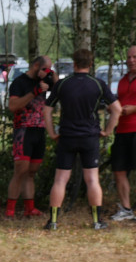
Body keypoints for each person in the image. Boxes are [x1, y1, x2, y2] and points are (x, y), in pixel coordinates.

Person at [43, 48, 121, 230]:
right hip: (89, 136)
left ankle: (53, 222)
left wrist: (52, 133)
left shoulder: (62, 84)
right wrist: (107, 131)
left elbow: (46, 109)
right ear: (91, 64)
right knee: (92, 179)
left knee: (60, 179)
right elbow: (117, 109)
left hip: (67, 136)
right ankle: (97, 221)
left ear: (74, 64)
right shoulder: (98, 84)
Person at [5, 56, 54, 218]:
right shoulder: (20, 82)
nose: (46, 72)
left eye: (49, 69)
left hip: (39, 130)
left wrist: (52, 76)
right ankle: (10, 211)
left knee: (32, 172)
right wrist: (34, 92)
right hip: (23, 129)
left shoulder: (45, 81)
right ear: (36, 66)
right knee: (21, 170)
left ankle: (29, 208)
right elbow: (13, 106)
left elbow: (60, 90)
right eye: (45, 68)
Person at [109, 45, 136, 220]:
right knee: (119, 170)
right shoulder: (122, 80)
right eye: (129, 57)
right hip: (122, 130)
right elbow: (118, 101)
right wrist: (114, 107)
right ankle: (126, 209)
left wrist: (134, 108)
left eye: (135, 57)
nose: (131, 60)